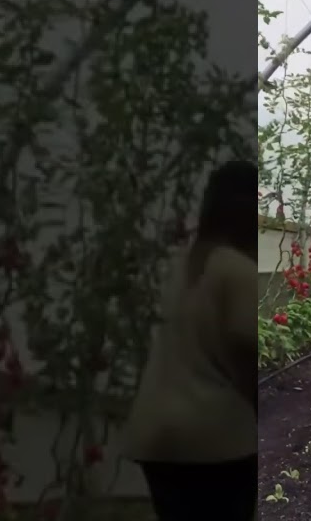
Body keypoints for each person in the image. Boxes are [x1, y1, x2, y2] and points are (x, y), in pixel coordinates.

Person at [123, 159, 258, 520]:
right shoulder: (237, 270)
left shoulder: (180, 264)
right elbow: (246, 360)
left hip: (155, 434)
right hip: (212, 438)